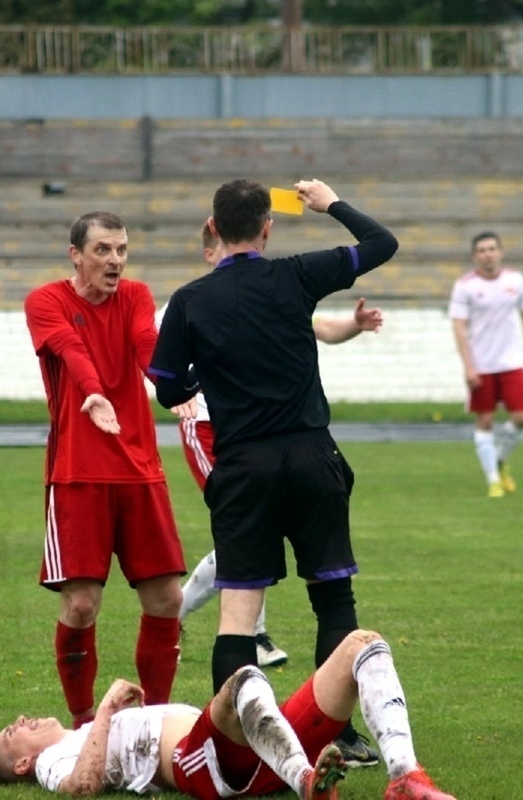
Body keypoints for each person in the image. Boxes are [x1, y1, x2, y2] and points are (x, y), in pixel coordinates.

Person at [149, 178, 398, 767]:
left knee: (238, 612)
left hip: (243, 468)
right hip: (311, 457)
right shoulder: (297, 275)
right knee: (333, 598)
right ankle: (333, 736)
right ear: (268, 228)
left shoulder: (190, 300)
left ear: (213, 229)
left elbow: (164, 385)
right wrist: (330, 202)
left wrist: (198, 379)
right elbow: (381, 242)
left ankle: (230, 752)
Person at [172, 223, 386, 671]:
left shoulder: (258, 295)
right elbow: (166, 374)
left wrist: (354, 323)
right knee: (249, 547)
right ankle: (181, 612)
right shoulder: (199, 299)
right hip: (216, 428)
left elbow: (320, 327)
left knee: (248, 542)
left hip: (255, 449)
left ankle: (243, 635)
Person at [24, 210, 186, 729]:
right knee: (81, 606)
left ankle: (153, 724)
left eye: (121, 250)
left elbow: (145, 343)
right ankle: (83, 725)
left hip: (140, 469)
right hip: (78, 474)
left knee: (167, 598)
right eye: (103, 250)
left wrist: (174, 386)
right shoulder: (46, 301)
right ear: (76, 255)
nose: (115, 260)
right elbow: (70, 350)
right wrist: (93, 394)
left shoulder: (136, 295)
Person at [0, 629, 458, 800]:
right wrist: (105, 707)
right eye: (12, 732)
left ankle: (404, 778)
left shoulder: (83, 734)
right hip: (206, 763)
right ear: (22, 764)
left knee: (363, 645)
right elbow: (81, 788)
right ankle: (308, 783)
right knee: (243, 679)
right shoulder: (52, 761)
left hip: (262, 746)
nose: (21, 719)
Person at [448, 232, 523, 499]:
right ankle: (493, 481)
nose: (488, 254)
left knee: (522, 417)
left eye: (492, 249)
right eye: (482, 250)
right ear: (475, 256)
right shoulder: (465, 286)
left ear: (500, 252)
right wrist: (468, 366)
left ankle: (499, 460)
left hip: (511, 363)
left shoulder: (516, 280)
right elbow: (459, 327)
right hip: (482, 365)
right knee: (485, 420)